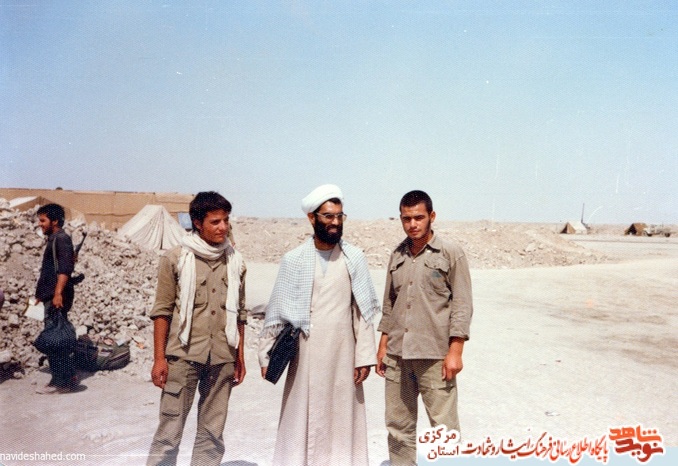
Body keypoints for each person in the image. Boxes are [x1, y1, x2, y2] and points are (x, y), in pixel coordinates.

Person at [259, 184, 381, 466]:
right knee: (301, 420)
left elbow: (362, 311)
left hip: (343, 354)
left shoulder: (354, 258)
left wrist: (364, 357)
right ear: (312, 218)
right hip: (305, 354)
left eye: (339, 216)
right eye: (328, 216)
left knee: (342, 420)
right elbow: (277, 311)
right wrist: (266, 355)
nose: (335, 222)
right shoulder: (293, 260)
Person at [147, 191, 247, 466]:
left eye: (226, 220)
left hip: (223, 356)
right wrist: (159, 359)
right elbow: (162, 311)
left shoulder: (236, 261)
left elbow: (240, 313)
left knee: (212, 433)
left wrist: (239, 357)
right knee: (169, 432)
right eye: (215, 222)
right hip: (183, 356)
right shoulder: (176, 258)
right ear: (197, 223)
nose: (223, 227)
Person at [376, 190, 473, 466]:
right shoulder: (397, 254)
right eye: (406, 219)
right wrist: (383, 346)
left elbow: (462, 304)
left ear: (432, 216)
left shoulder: (451, 253)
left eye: (418, 217)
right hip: (398, 355)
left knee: (443, 428)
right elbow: (389, 303)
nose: (412, 224)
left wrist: (456, 351)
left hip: (435, 356)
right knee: (398, 426)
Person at [34, 203, 78, 394]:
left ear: (55, 221)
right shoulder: (55, 239)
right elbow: (50, 271)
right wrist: (41, 295)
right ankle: (66, 376)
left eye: (43, 220)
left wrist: (58, 293)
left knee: (55, 339)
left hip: (57, 297)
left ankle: (62, 382)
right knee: (55, 337)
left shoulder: (61, 239)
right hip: (51, 296)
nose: (40, 224)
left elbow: (65, 269)